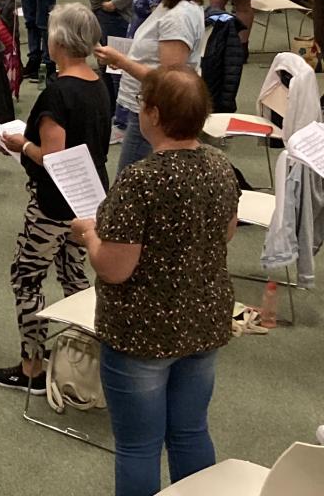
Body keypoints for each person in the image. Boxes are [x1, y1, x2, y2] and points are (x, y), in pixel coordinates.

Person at [71, 66, 239, 496]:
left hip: (142, 333)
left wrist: (89, 234)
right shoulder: (221, 166)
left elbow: (114, 268)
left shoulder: (141, 179)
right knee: (190, 431)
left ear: (155, 115)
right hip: (203, 321)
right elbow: (226, 232)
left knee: (139, 447)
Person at [0, 4, 111, 394]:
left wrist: (21, 144)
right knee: (75, 276)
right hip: (89, 200)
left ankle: (32, 366)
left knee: (26, 278)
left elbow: (53, 158)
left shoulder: (57, 93)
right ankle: (83, 359)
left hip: (53, 206)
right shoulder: (98, 83)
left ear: (58, 40)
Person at [95, 0, 205, 174]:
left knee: (130, 177)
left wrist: (120, 61)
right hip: (146, 104)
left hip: (157, 112)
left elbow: (169, 81)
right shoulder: (172, 4)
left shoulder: (177, 17)